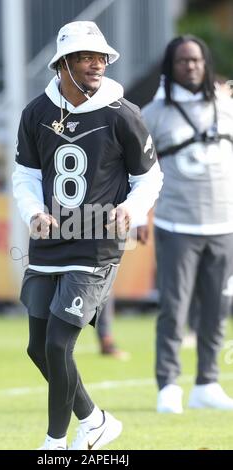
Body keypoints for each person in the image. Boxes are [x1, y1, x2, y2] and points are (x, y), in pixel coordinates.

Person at [12, 21, 163, 450]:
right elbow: (23, 174)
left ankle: (54, 444)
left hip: (97, 242)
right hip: (47, 240)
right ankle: (95, 419)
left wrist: (132, 211)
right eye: (84, 56)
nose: (96, 64)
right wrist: (33, 212)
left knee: (60, 344)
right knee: (38, 349)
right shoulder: (36, 112)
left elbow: (150, 178)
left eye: (100, 57)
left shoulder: (124, 113)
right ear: (62, 64)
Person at [142, 35, 233, 414]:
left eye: (196, 60)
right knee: (173, 308)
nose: (191, 67)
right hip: (177, 224)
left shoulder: (226, 106)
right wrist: (137, 213)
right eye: (183, 61)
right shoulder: (153, 113)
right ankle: (168, 385)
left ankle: (207, 383)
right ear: (170, 67)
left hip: (224, 224)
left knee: (217, 309)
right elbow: (137, 170)